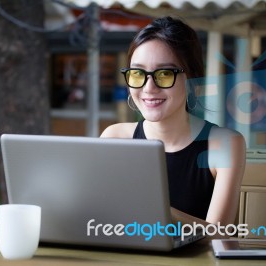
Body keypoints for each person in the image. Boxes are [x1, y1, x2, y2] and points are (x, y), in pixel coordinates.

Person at [101, 16, 246, 228]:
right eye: (138, 73)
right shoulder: (114, 138)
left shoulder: (224, 144)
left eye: (165, 74)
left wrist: (154, 209)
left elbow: (218, 234)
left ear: (193, 79)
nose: (149, 87)